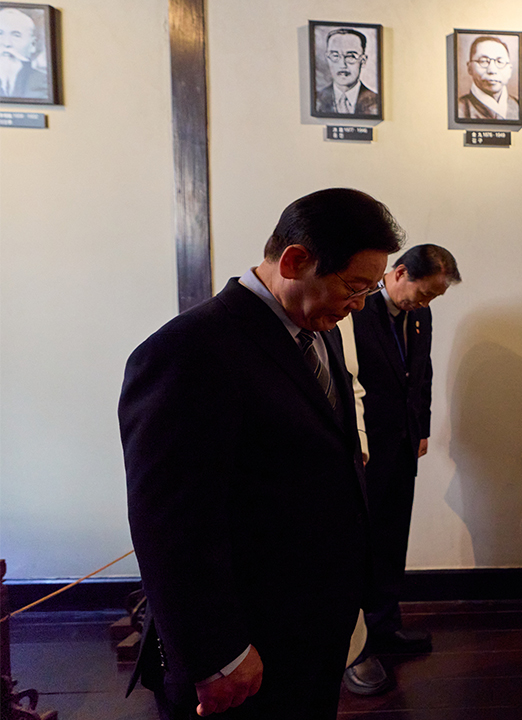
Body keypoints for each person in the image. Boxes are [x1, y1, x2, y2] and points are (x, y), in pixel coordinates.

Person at [119, 188, 404, 718]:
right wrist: (217, 655)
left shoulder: (319, 330)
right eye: (353, 286)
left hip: (312, 623)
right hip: (246, 640)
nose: (360, 304)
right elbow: (171, 523)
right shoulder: (189, 350)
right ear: (294, 261)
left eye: (370, 289)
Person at [338, 244, 461, 695]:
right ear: (400, 272)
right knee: (356, 546)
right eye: (422, 293)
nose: (424, 303)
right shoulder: (355, 310)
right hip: (363, 450)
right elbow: (345, 381)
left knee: (391, 539)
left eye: (433, 298)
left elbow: (421, 374)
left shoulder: (419, 315)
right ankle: (354, 648)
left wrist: (421, 429)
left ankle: (385, 625)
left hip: (402, 445)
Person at [316, 28, 378, 115]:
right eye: (335, 56)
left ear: (363, 61)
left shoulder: (376, 101)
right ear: (328, 59)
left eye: (351, 56)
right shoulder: (317, 100)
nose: (343, 65)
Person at [457, 36, 519, 121]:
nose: (492, 70)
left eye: (500, 62)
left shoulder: (519, 106)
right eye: (483, 61)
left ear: (509, 70)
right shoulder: (458, 109)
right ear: (469, 68)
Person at [0, 7, 48, 100]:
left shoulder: (44, 82)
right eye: (0, 34)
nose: (6, 43)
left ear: (32, 45)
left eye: (16, 35)